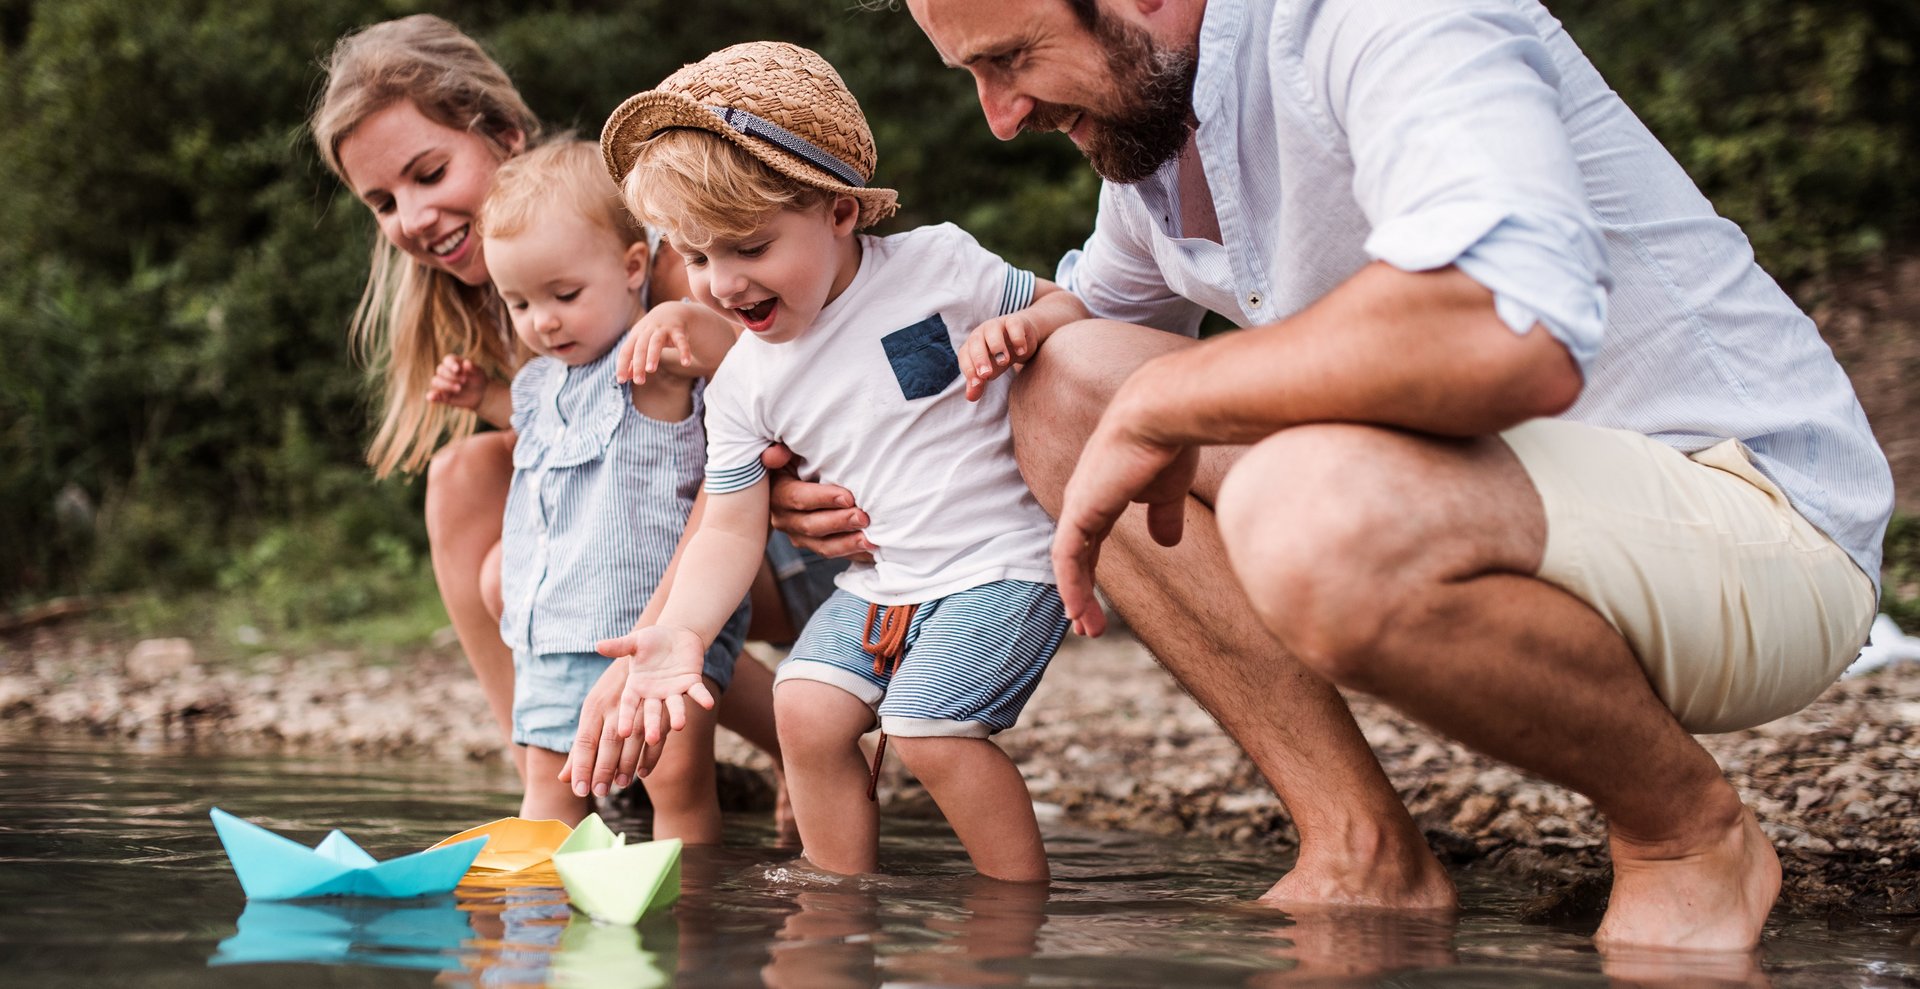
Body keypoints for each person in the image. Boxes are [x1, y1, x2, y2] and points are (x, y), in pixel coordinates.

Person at [863, 0, 1887, 952]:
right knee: (1063, 387)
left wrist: (1174, 401)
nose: (1000, 116)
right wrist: (855, 493)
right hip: (1508, 512)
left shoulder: (1384, 16)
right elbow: (1076, 337)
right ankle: (1362, 850)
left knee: (1307, 505)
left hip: (1754, 525)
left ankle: (1685, 834)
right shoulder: (1159, 152)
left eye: (1010, 58)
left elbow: (1503, 324)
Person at [570, 41, 1089, 883]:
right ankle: (839, 900)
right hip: (884, 580)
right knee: (803, 708)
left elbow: (1068, 306)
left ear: (839, 212)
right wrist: (684, 632)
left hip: (1000, 559)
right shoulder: (742, 381)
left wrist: (1028, 328)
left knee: (926, 729)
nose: (723, 284)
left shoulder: (938, 267)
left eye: (749, 247)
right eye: (697, 257)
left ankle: (1013, 911)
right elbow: (730, 530)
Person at [309, 15, 816, 794]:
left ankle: (763, 747)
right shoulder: (510, 300)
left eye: (429, 173)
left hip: (785, 528)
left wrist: (659, 633)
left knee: (550, 582)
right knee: (463, 480)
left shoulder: (660, 256)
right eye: (382, 201)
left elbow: (747, 455)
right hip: (663, 545)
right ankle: (558, 778)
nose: (410, 218)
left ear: (507, 136)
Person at [418, 139, 747, 835]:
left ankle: (695, 909)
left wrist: (685, 320)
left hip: (645, 628)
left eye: (564, 295)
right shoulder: (539, 382)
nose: (544, 320)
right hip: (551, 631)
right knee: (549, 787)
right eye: (520, 303)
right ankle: (534, 926)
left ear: (633, 269)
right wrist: (485, 397)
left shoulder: (652, 363)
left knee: (677, 785)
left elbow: (746, 367)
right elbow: (543, 432)